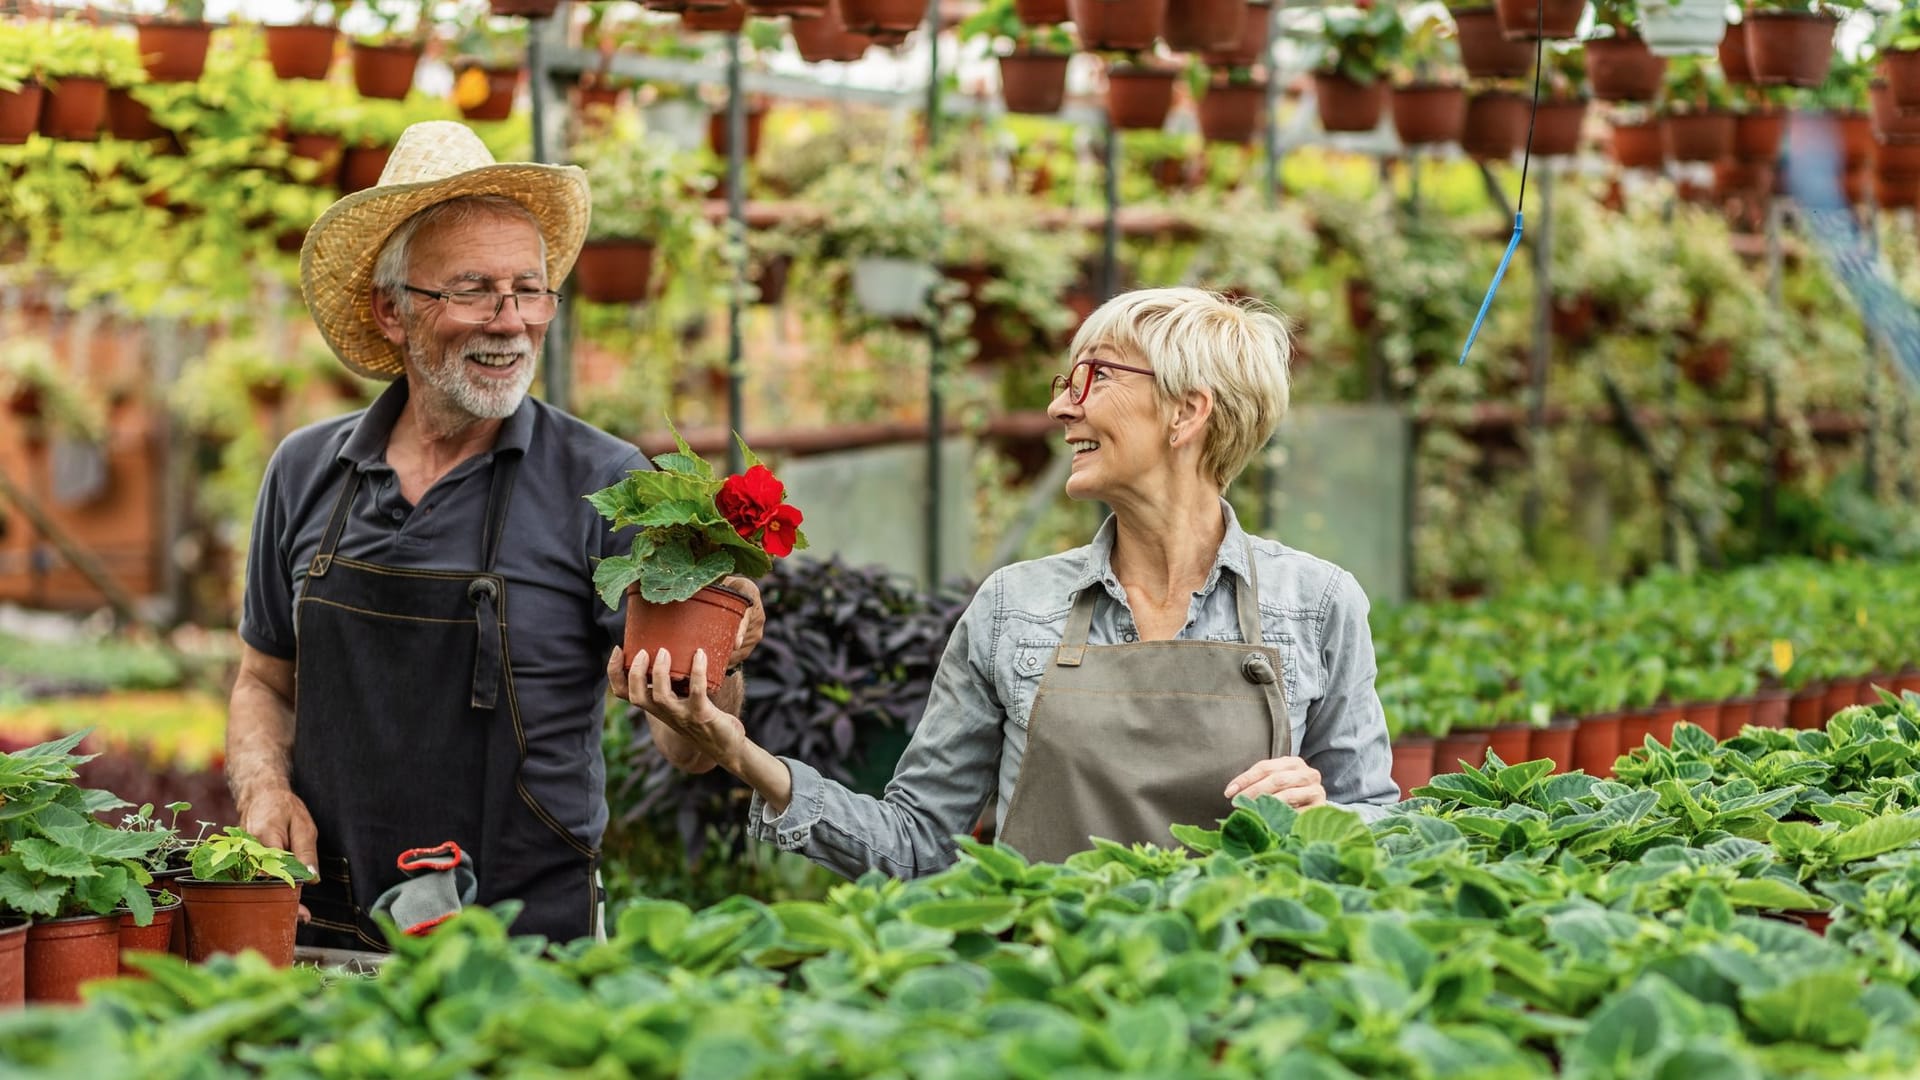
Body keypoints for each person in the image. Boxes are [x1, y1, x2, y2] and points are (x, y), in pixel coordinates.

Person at [617, 287, 1397, 879]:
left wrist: (1327, 819)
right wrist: (741, 754)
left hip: (1251, 1004)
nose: (1062, 404)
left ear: (1187, 411)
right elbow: (918, 841)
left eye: (1094, 377)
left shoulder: (1319, 603)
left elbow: (1384, 837)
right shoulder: (1014, 607)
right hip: (1047, 999)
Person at [226, 122, 764, 950]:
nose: (511, 322)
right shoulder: (306, 470)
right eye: (474, 289)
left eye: (531, 290)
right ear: (392, 310)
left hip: (529, 945)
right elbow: (264, 681)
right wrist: (263, 791)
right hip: (323, 928)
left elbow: (686, 748)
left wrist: (711, 680)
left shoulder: (610, 484)